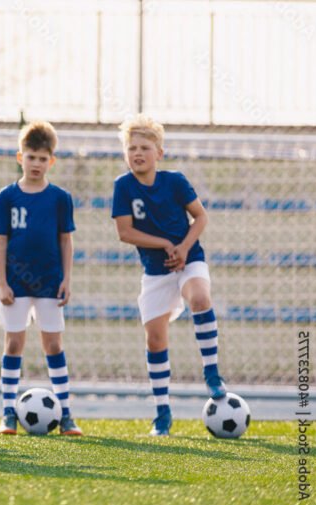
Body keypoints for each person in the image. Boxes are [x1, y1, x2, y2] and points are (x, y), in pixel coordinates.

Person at [111, 113, 227, 436]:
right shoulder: (122, 187)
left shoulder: (175, 181)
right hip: (155, 271)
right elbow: (124, 232)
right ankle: (162, 412)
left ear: (158, 153)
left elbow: (201, 217)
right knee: (155, 338)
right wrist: (164, 244)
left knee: (200, 297)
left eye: (145, 147)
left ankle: (212, 373)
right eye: (131, 147)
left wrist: (185, 247)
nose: (137, 153)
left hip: (188, 259)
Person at [0, 121, 83, 437]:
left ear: (51, 161)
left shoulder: (60, 198)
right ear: (20, 157)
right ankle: (7, 413)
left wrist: (67, 279)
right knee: (14, 342)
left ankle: (66, 413)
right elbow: (0, 241)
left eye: (43, 159)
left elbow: (65, 241)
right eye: (31, 157)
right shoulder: (6, 196)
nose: (36, 164)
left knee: (53, 344)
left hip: (48, 283)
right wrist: (3, 282)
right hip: (15, 284)